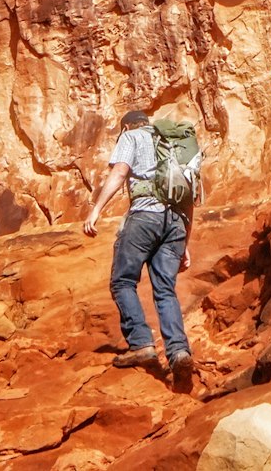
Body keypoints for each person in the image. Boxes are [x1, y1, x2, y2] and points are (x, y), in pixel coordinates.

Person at [82, 110, 197, 381]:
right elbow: (188, 194)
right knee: (165, 289)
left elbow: (120, 172)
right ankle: (179, 352)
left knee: (122, 282)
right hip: (176, 222)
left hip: (145, 217)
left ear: (126, 128)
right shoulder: (172, 145)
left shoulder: (131, 137)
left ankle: (142, 344)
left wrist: (96, 209)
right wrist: (185, 241)